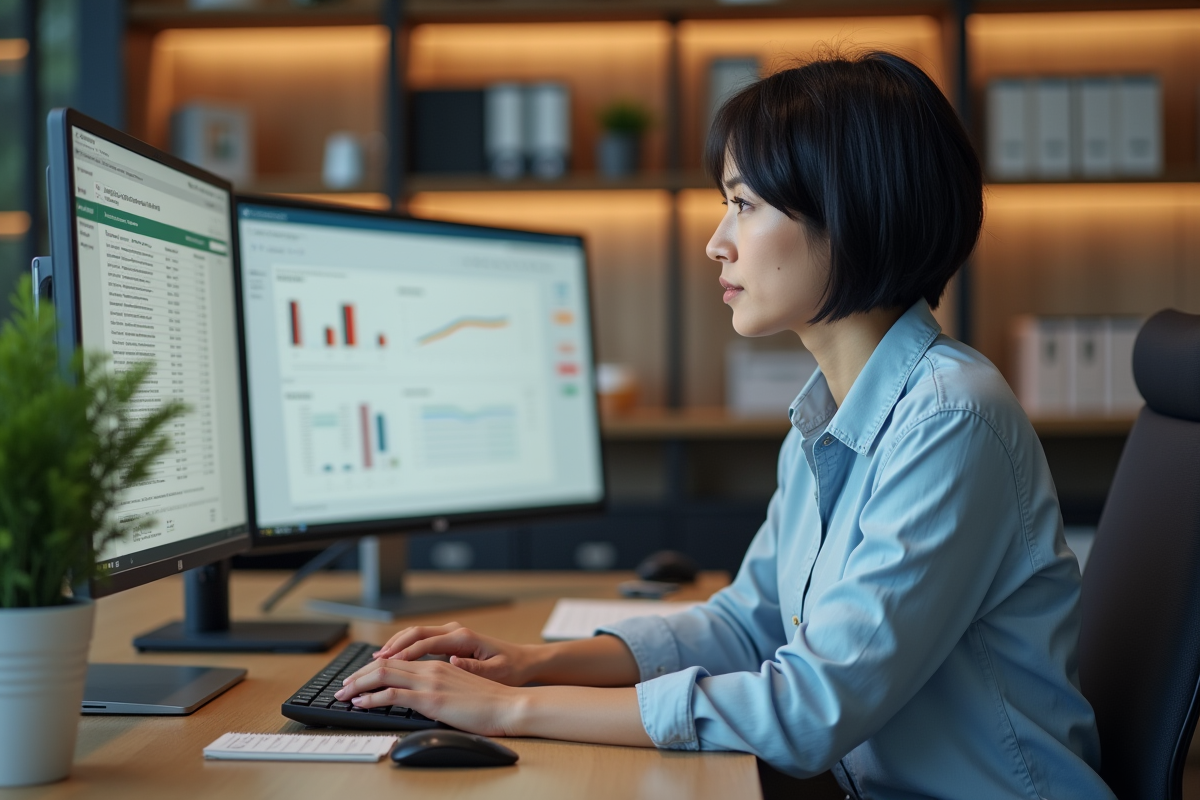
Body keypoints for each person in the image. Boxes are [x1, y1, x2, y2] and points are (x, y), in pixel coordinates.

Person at [335, 51, 1114, 799]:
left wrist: (506, 713)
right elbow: (750, 626)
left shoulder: (950, 420)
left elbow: (808, 712)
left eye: (743, 204)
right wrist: (530, 665)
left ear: (849, 212)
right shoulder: (827, 413)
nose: (717, 241)